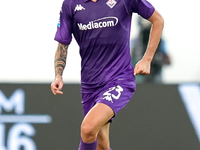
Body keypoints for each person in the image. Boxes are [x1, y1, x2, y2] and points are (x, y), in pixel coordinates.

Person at [50, 0, 164, 149]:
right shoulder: (70, 4)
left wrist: (147, 59)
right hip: (89, 85)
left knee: (88, 128)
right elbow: (62, 45)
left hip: (119, 79)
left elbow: (158, 20)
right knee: (101, 144)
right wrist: (58, 75)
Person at [131, 17, 170, 83]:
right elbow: (130, 58)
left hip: (156, 74)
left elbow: (167, 60)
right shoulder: (135, 42)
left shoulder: (160, 42)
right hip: (139, 76)